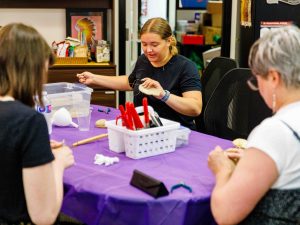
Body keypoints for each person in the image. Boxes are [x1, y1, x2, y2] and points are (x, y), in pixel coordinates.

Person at [207, 26, 300, 225]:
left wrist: (221, 169)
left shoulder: (275, 130)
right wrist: (258, 159)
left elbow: (225, 214)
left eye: (258, 79)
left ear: (274, 78)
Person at [0, 23, 74, 224]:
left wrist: (33, 149)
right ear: (31, 69)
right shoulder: (28, 121)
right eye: (44, 68)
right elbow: (44, 217)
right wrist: (58, 163)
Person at [77, 17, 202, 130]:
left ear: (168, 41)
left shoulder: (186, 67)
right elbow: (130, 82)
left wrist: (164, 95)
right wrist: (94, 78)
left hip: (174, 133)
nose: (148, 50)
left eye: (154, 44)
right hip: (143, 130)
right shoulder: (144, 60)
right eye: (144, 44)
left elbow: (195, 108)